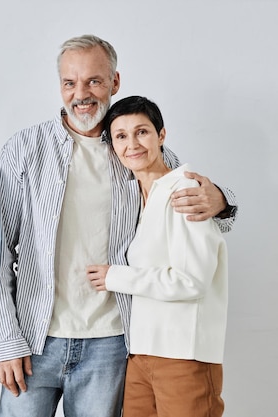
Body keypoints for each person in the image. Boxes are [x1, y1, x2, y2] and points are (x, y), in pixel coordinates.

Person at [0, 34, 237, 417]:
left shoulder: (134, 146)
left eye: (94, 81)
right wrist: (6, 339)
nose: (81, 94)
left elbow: (187, 192)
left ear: (115, 83)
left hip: (111, 342)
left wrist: (222, 199)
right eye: (70, 83)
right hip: (34, 339)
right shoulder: (24, 148)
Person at [87, 95, 228, 416]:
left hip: (184, 356)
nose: (132, 144)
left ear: (161, 135)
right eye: (121, 136)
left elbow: (191, 282)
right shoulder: (136, 199)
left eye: (142, 132)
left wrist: (114, 276)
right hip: (141, 356)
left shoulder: (186, 192)